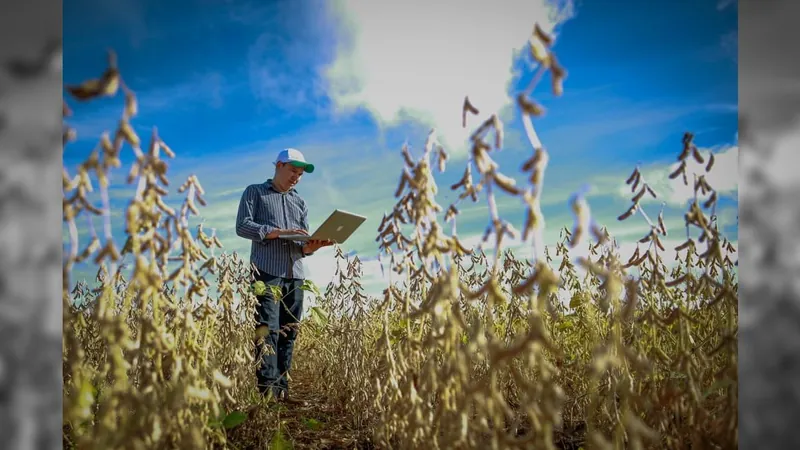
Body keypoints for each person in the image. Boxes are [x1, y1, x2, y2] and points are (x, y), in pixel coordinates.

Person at [235, 148, 332, 404]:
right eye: (293, 171)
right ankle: (267, 395)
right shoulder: (254, 192)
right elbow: (243, 226)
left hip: (296, 274)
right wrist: (278, 231)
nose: (296, 178)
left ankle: (283, 392)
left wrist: (313, 246)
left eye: (300, 174)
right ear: (278, 165)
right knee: (268, 332)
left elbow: (302, 246)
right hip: (266, 272)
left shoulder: (300, 202)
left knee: (289, 333)